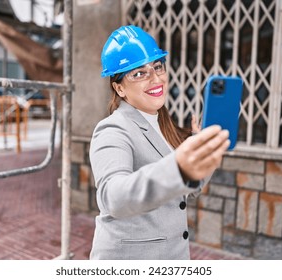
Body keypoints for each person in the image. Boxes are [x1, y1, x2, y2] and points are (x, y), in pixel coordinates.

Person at [89, 25, 230, 260]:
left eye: (157, 67)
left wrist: (205, 149)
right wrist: (178, 167)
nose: (155, 78)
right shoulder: (112, 129)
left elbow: (187, 189)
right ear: (119, 87)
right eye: (139, 73)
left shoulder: (164, 125)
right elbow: (113, 197)